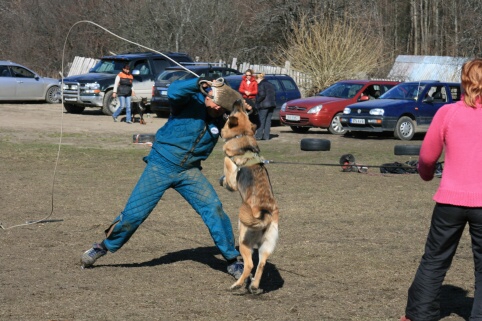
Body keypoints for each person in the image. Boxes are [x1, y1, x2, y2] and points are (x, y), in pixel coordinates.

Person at [81, 77, 244, 279]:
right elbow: (174, 90)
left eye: (222, 105)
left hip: (189, 171)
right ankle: (103, 247)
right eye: (214, 101)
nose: (217, 108)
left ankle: (232, 260)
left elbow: (241, 134)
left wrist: (244, 113)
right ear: (207, 95)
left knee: (214, 208)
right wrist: (196, 83)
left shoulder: (222, 118)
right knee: (134, 215)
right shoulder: (188, 101)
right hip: (161, 165)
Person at [401, 58, 482, 321]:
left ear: (464, 81)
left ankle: (419, 315)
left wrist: (425, 174)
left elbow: (426, 158)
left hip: (449, 202)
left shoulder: (448, 113)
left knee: (434, 260)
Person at [254, 73, 276, 140]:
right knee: (268, 121)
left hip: (264, 105)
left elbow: (262, 95)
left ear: (259, 78)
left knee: (261, 120)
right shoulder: (271, 84)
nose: (256, 81)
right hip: (272, 104)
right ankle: (266, 136)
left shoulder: (261, 84)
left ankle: (259, 136)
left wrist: (257, 100)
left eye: (256, 80)